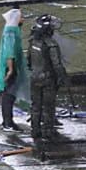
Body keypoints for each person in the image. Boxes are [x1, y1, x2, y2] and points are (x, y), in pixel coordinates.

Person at [27, 14, 65, 145]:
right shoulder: (51, 44)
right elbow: (57, 64)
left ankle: (35, 130)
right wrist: (62, 77)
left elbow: (29, 61)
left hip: (34, 77)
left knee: (35, 106)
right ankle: (48, 131)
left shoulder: (33, 42)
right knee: (48, 106)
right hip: (48, 79)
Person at [0, 8, 25, 133]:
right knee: (8, 96)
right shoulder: (11, 32)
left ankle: (8, 121)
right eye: (21, 17)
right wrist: (11, 69)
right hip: (10, 67)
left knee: (9, 95)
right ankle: (8, 122)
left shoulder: (12, 30)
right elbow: (9, 52)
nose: (23, 19)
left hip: (11, 66)